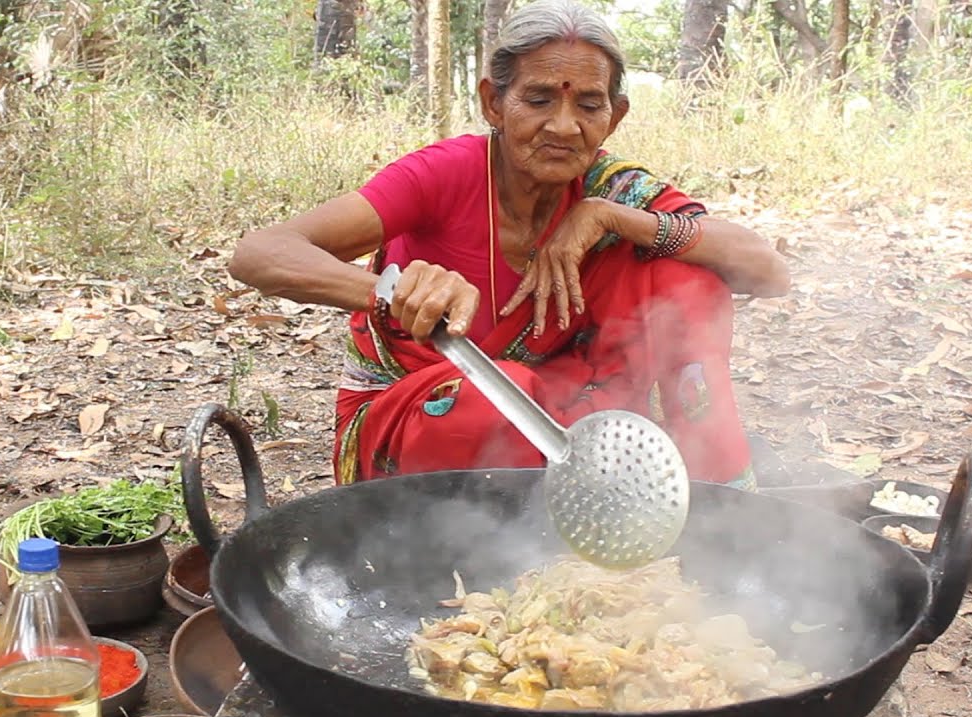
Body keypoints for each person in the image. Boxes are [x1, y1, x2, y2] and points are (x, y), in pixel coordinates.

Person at [227, 0, 789, 491]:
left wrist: (608, 217)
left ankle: (716, 513)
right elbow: (259, 254)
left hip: (565, 418)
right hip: (426, 425)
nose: (565, 127)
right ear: (494, 103)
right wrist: (390, 293)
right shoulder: (444, 175)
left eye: (588, 106)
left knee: (685, 279)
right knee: (496, 395)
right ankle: (474, 562)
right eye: (539, 99)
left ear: (614, 117)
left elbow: (767, 272)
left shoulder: (610, 189)